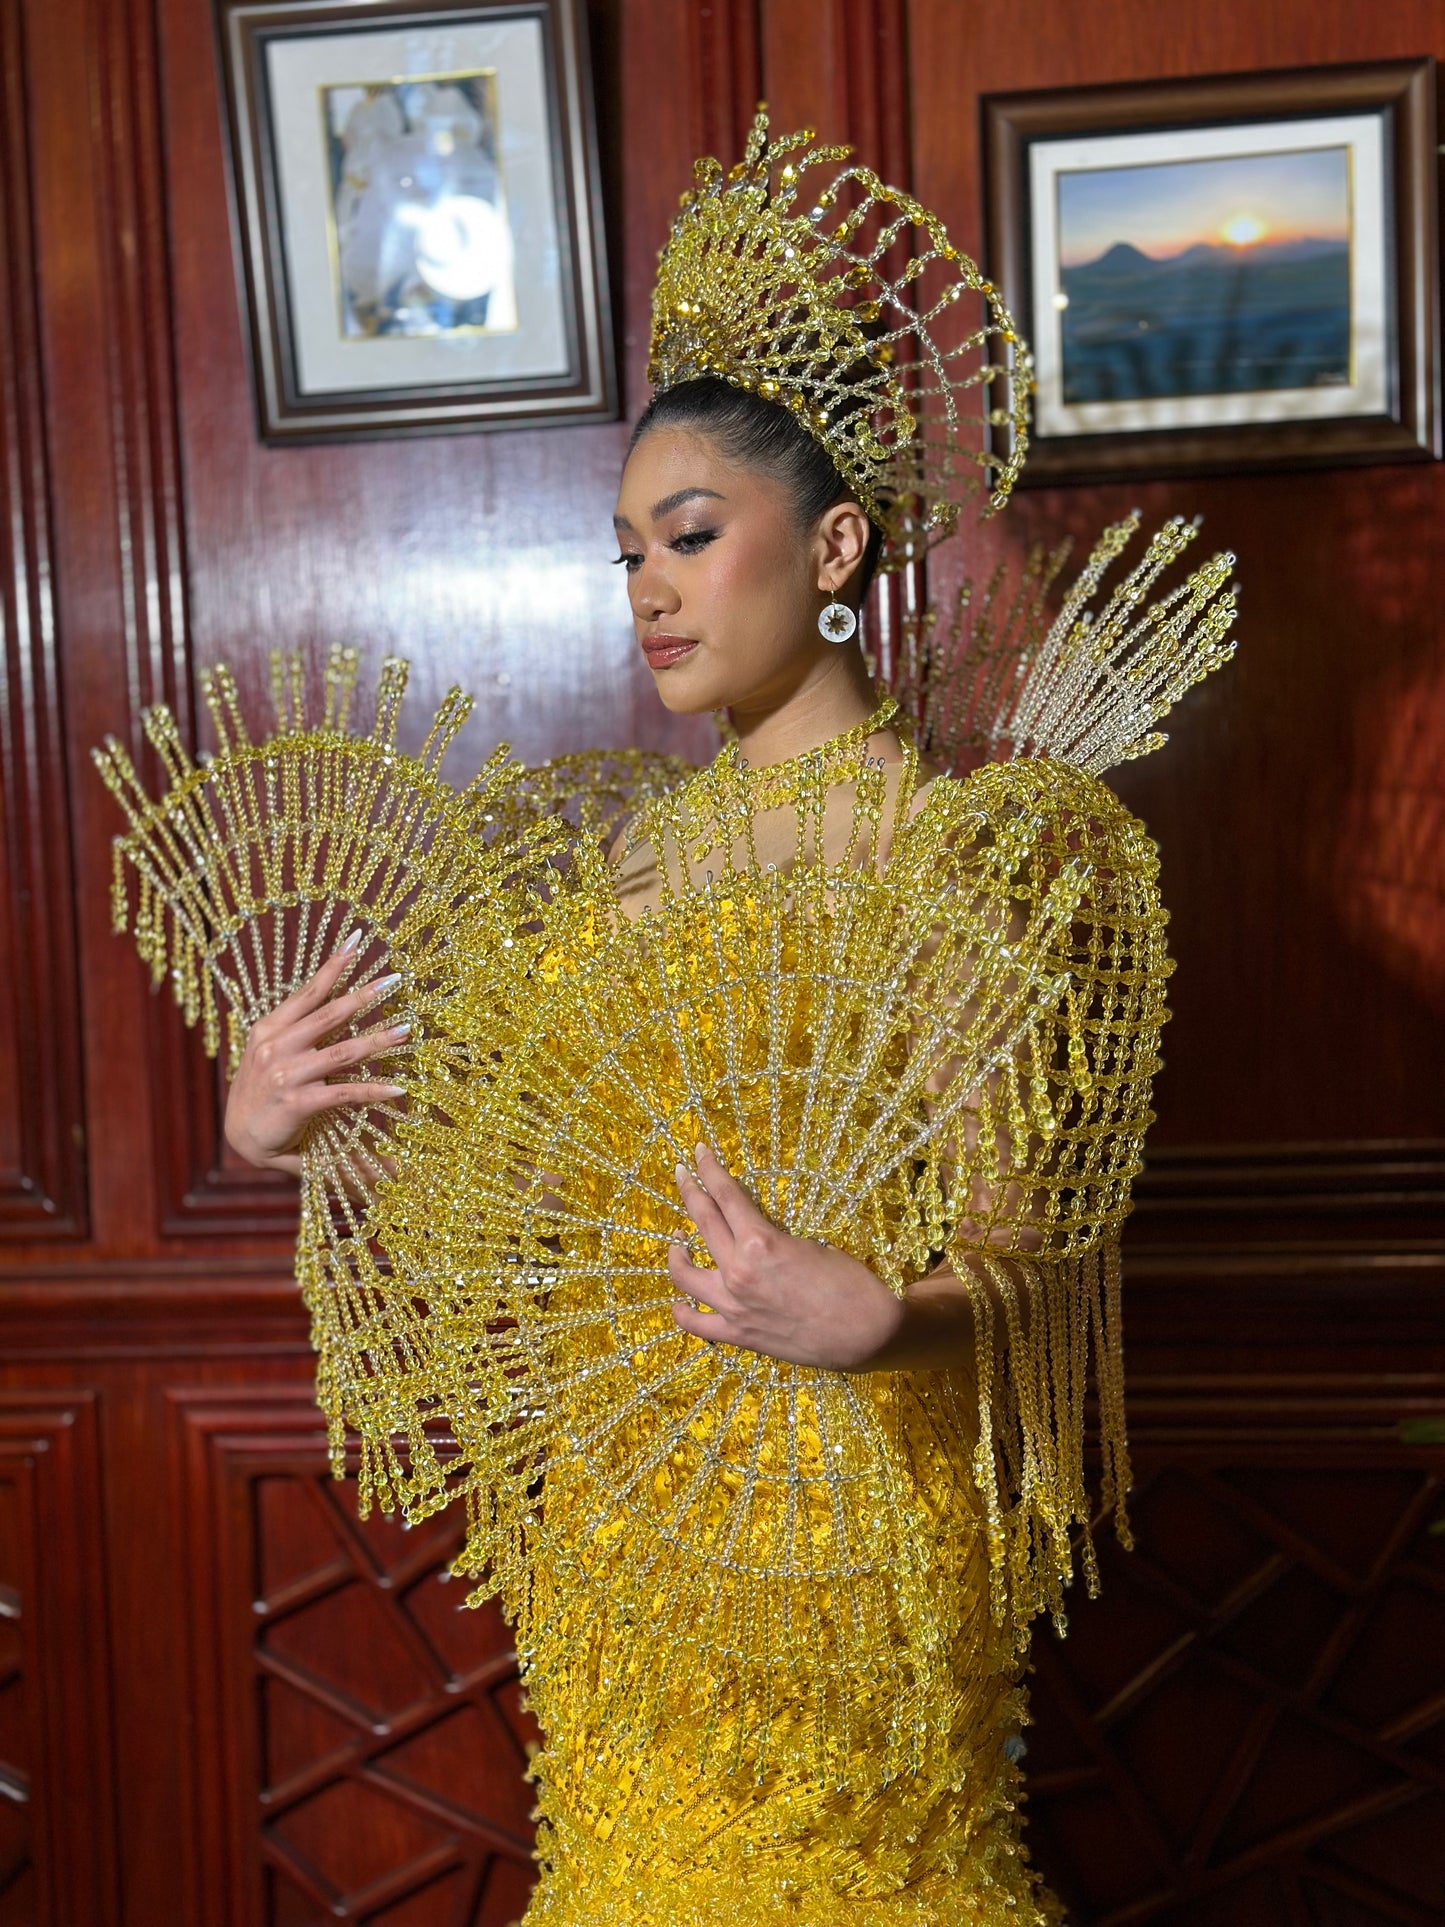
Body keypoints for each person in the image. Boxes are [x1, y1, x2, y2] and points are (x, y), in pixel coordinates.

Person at [98, 111, 1236, 1925]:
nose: (648, 586)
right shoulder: (610, 873)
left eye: (690, 536)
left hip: (853, 1518)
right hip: (622, 1513)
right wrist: (288, 1131)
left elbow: (1046, 1260)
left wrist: (883, 1317)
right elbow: (497, 1240)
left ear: (838, 543)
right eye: (624, 548)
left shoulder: (960, 859)